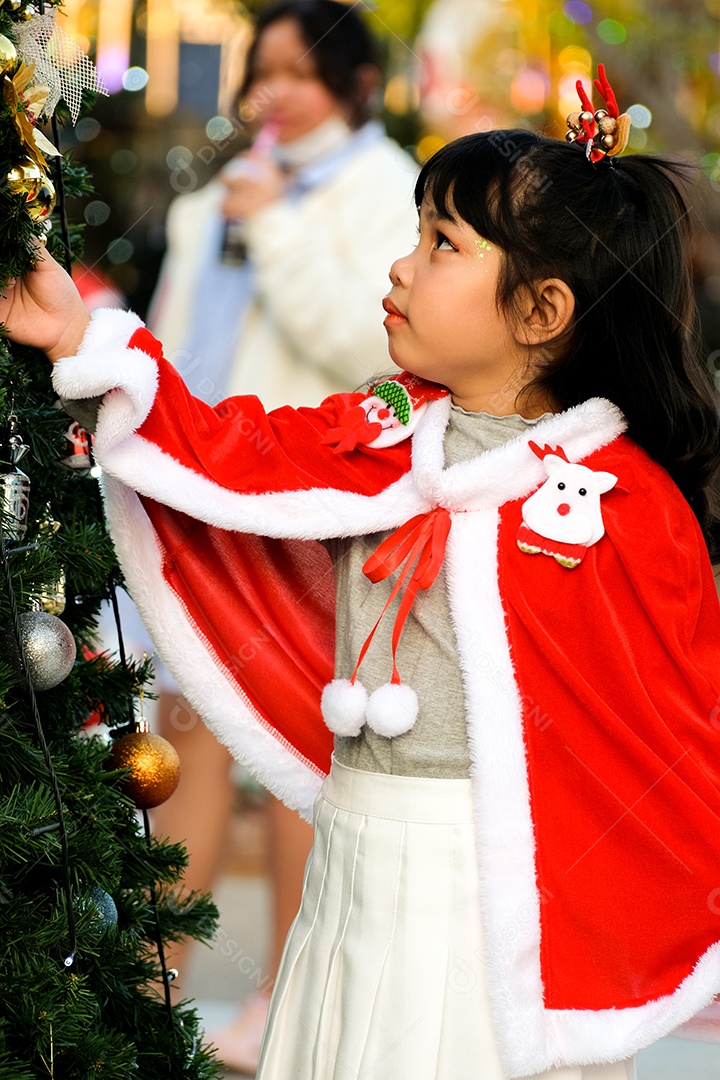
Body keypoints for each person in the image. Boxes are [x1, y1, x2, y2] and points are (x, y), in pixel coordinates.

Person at [5, 88, 720, 1079]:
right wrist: (85, 342)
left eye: (442, 246)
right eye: (416, 235)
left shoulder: (616, 502)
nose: (401, 264)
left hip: (495, 905)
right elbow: (241, 455)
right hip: (353, 864)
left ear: (543, 310)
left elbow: (668, 728)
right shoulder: (383, 428)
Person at [137, 3, 419, 1070]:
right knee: (184, 735)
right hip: (200, 499)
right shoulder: (227, 191)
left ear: (351, 86)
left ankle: (289, 1004)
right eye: (266, 72)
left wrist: (281, 225)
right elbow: (179, 332)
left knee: (301, 762)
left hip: (306, 509)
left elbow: (368, 340)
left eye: (301, 74)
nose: (275, 94)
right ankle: (152, 983)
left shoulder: (384, 184)